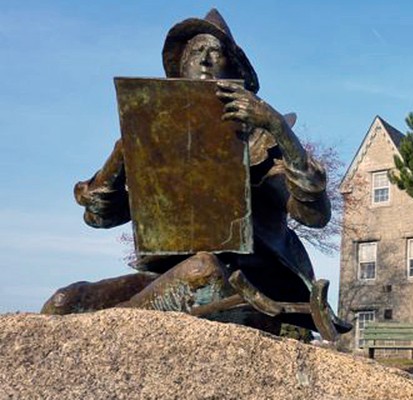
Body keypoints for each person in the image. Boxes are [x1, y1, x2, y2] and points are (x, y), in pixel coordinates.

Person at [42, 9, 350, 339]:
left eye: (214, 52)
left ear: (234, 69)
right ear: (181, 68)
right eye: (195, 52)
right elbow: (98, 217)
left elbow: (314, 215)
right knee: (65, 302)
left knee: (202, 268)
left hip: (247, 290)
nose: (204, 60)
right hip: (173, 280)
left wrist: (276, 126)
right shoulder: (162, 142)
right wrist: (124, 151)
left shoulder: (261, 140)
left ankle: (100, 335)